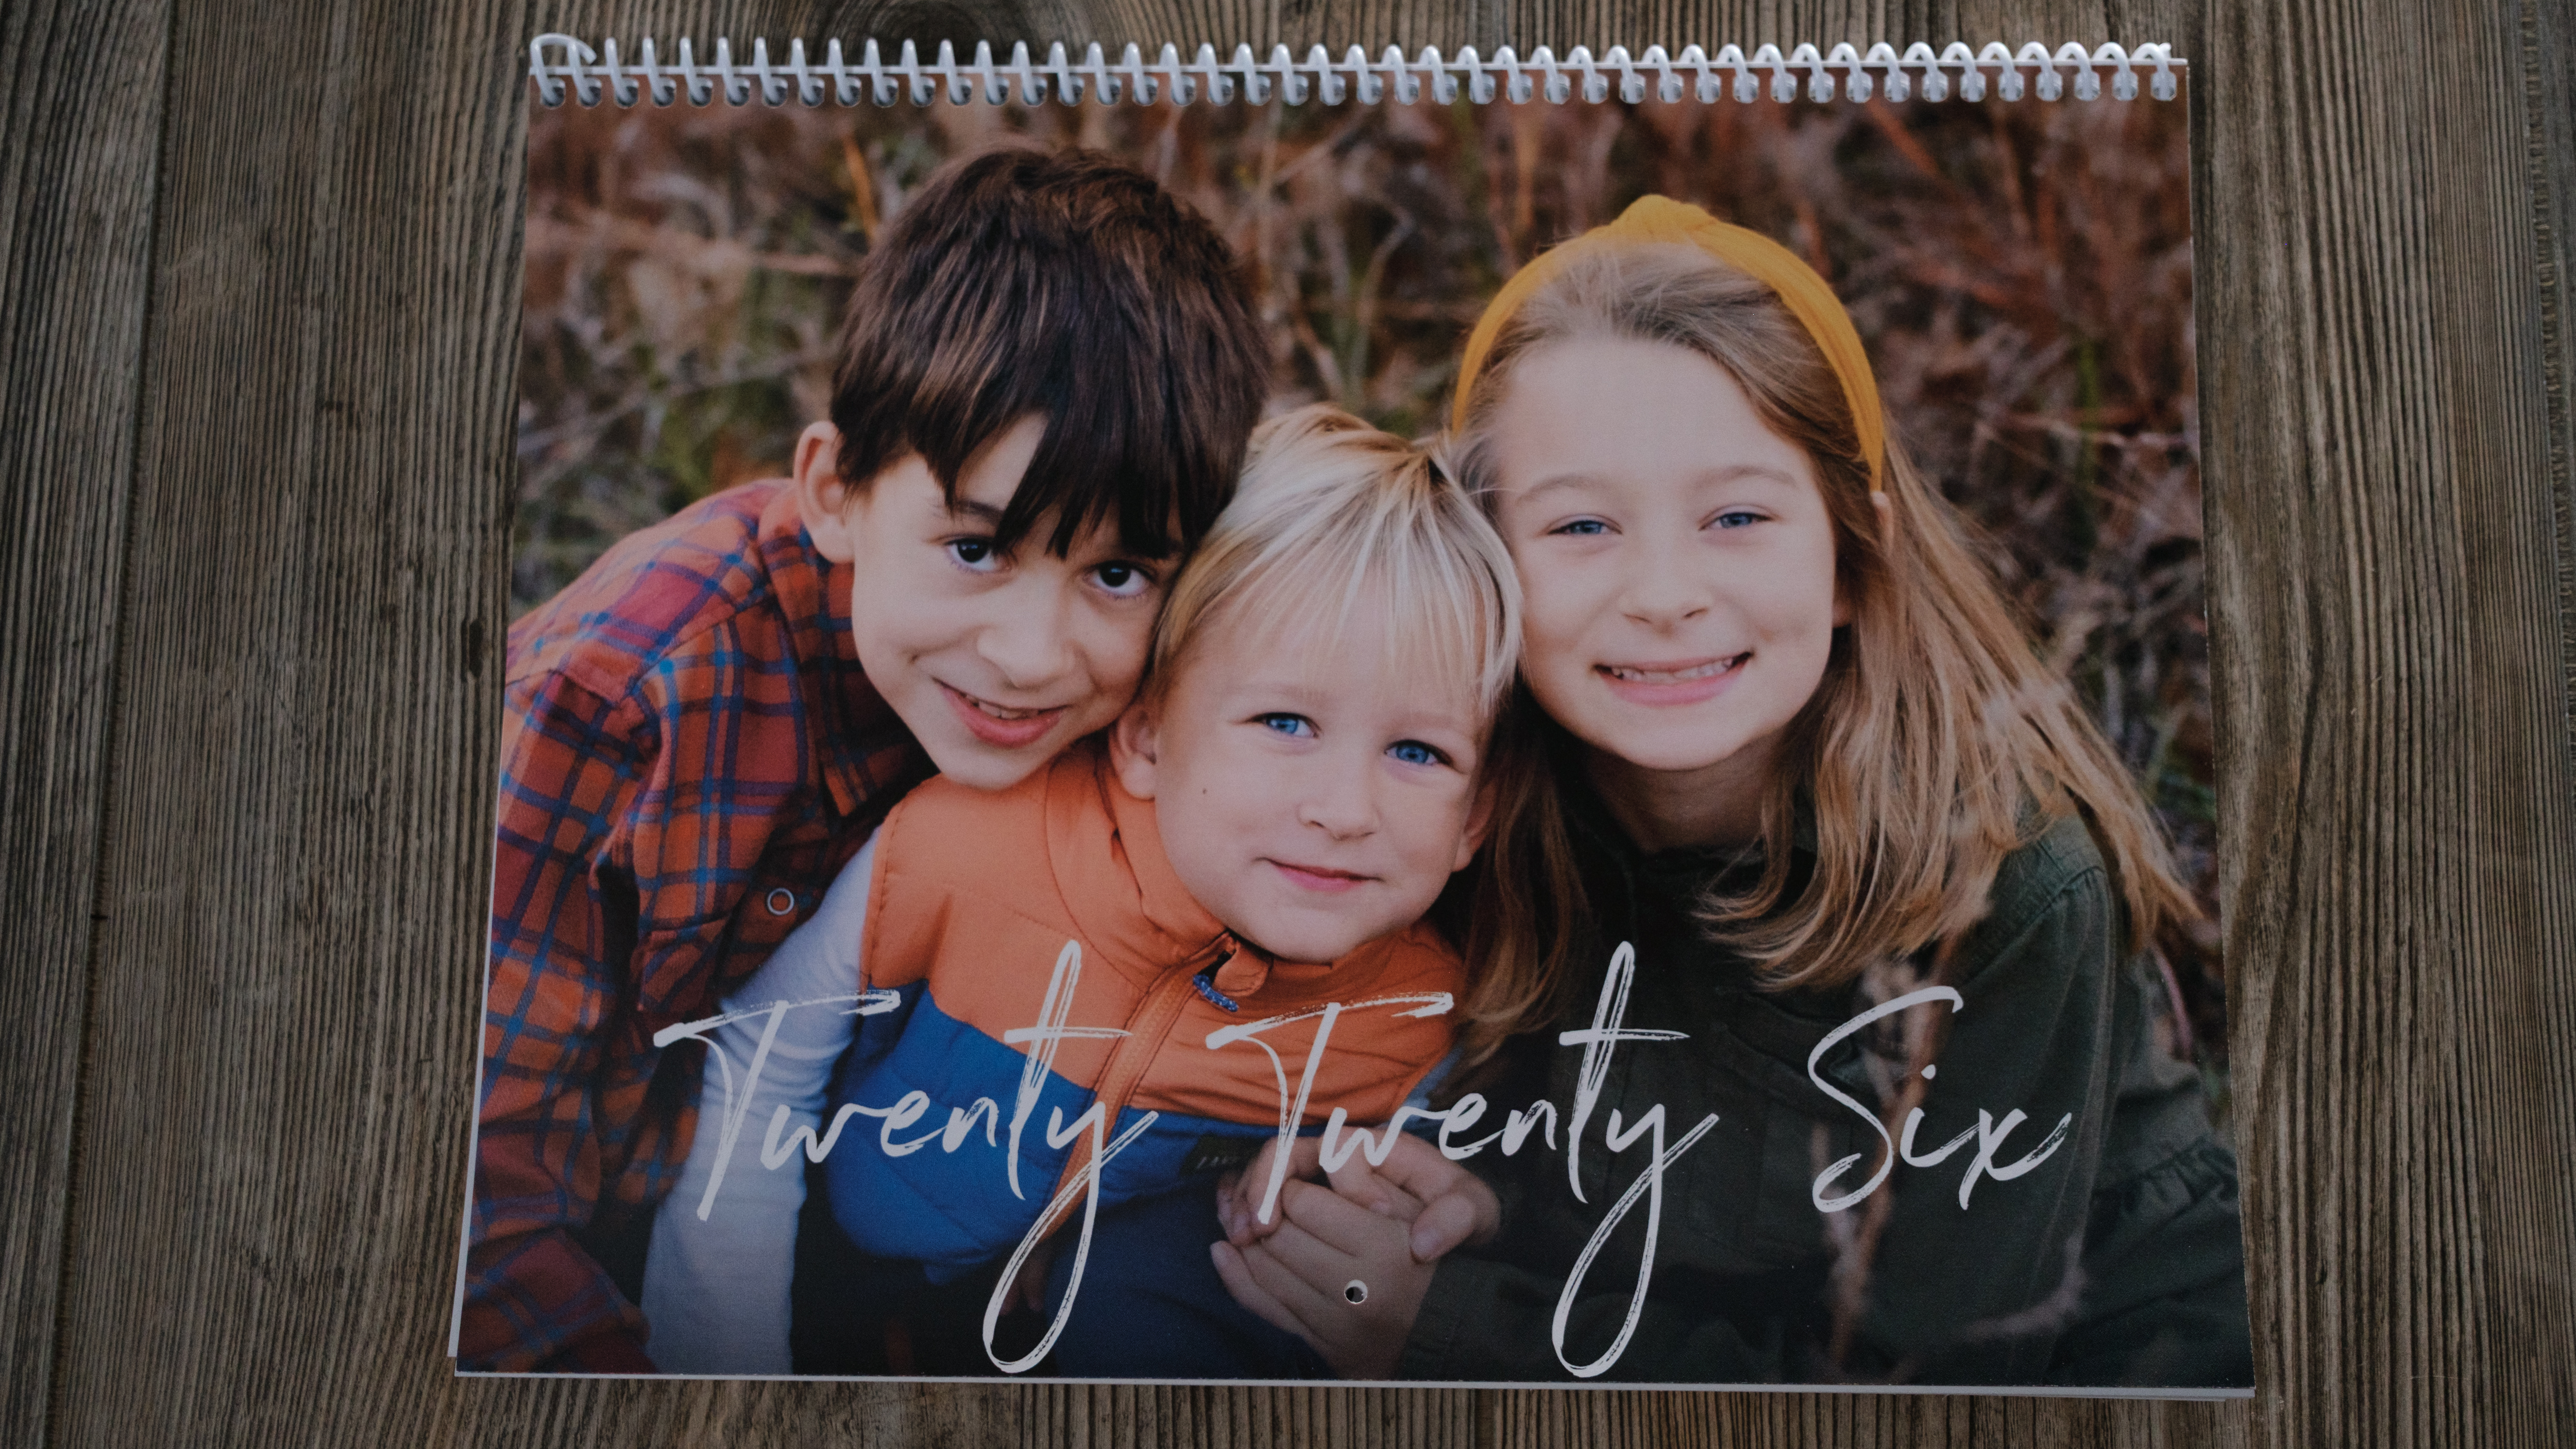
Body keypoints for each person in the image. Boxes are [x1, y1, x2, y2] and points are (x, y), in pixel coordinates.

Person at [1213, 197, 2252, 1388]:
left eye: (1738, 517)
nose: (1664, 594)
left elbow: (1924, 1386)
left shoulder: (2001, 887)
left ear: (1853, 556)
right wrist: (1476, 1204)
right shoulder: (1454, 791)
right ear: (1487, 562)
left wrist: (1452, 1329)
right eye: (1581, 524)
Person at [460, 147, 1269, 1372]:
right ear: (835, 491)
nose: (1032, 655)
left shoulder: (1161, 707)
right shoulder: (622, 707)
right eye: (976, 548)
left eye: (1116, 571)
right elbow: (470, 1206)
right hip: (590, 1278)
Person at [635, 407, 1523, 1377]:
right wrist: (731, 1373)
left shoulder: (1420, 1018)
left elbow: (1446, 1191)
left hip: (1069, 1332)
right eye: (1284, 722)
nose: (1346, 809)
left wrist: (1471, 1209)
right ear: (1146, 737)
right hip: (823, 1274)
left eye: (1418, 752)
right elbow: (758, 1077)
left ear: (1475, 817)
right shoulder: (959, 849)